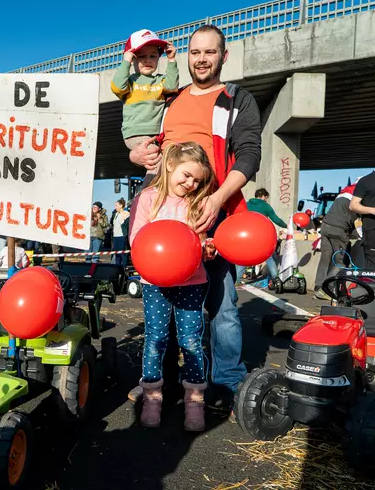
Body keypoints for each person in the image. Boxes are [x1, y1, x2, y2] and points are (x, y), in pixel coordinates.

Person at [129, 25, 262, 414]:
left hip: (213, 210)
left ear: (224, 56)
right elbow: (142, 136)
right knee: (161, 307)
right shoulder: (169, 98)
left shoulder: (235, 99)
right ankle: (162, 382)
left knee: (221, 305)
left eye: (210, 52)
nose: (201, 59)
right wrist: (137, 154)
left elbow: (250, 155)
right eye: (194, 52)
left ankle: (226, 382)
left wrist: (218, 198)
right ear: (186, 55)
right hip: (162, 213)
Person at [130, 142, 215, 431]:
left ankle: (194, 401)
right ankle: (152, 397)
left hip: (192, 282)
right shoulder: (148, 199)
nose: (191, 184)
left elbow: (202, 242)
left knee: (190, 340)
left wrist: (208, 249)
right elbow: (136, 240)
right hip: (154, 282)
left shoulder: (199, 203)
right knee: (155, 339)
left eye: (197, 180)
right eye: (187, 175)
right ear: (169, 166)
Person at [111, 28, 178, 175]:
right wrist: (125, 61)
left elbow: (172, 86)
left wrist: (171, 60)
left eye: (153, 56)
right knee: (155, 159)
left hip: (156, 135)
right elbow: (116, 87)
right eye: (141, 56)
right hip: (136, 134)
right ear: (133, 58)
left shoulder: (160, 80)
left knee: (171, 161)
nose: (148, 60)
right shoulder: (129, 82)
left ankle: (156, 191)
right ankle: (148, 192)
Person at [235, 188, 286, 285]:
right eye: (266, 197)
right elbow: (276, 219)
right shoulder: (265, 206)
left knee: (244, 257)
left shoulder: (246, 205)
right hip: (261, 235)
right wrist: (287, 226)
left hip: (247, 235)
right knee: (268, 256)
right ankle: (275, 278)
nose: (266, 200)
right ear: (263, 196)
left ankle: (237, 279)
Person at [111, 199, 131, 266]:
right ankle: (117, 269)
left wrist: (125, 232)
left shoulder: (126, 213)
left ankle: (124, 269)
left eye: (116, 205)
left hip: (121, 236)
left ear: (121, 205)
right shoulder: (116, 214)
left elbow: (127, 224)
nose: (115, 207)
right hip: (115, 236)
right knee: (117, 254)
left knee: (123, 254)